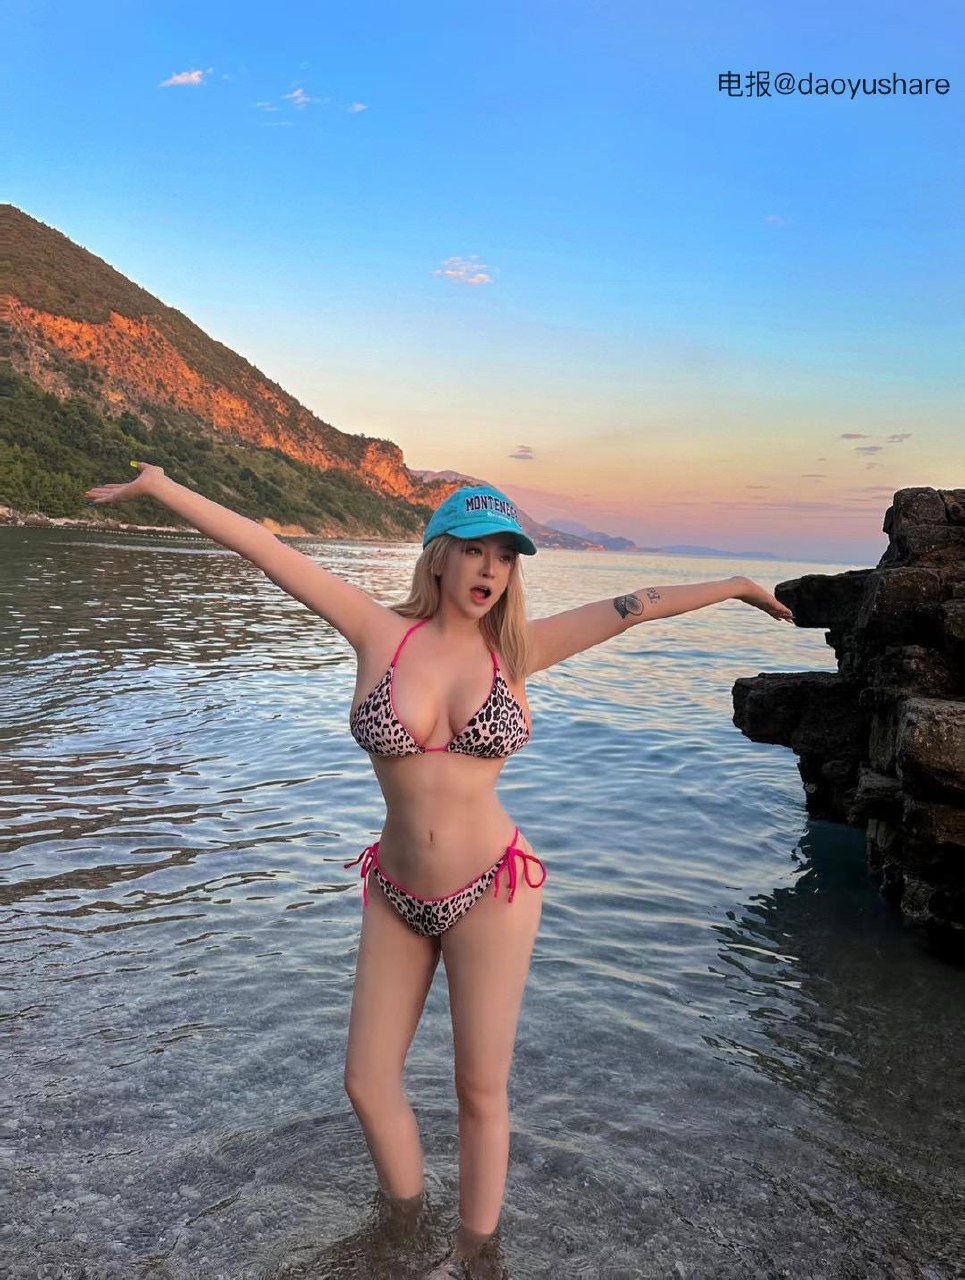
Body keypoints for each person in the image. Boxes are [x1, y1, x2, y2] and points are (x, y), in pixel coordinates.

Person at [84, 465, 794, 1275]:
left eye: (507, 556)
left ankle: (473, 1256)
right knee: (365, 1080)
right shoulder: (376, 632)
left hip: (492, 889)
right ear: (439, 555)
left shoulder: (518, 651)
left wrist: (738, 585)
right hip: (394, 889)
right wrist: (161, 486)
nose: (492, 569)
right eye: (476, 550)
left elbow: (637, 605)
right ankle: (400, 1227)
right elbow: (267, 550)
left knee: (478, 1091)